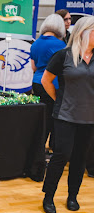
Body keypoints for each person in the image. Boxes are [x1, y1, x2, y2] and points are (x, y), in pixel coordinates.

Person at [41, 16, 94, 213]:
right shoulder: (63, 56)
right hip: (65, 114)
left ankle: (73, 196)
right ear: (84, 32)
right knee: (61, 155)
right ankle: (48, 197)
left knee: (80, 158)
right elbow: (46, 80)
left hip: (89, 117)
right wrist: (58, 100)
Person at [29, 14, 66, 180]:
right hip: (52, 84)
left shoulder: (36, 43)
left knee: (39, 120)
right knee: (52, 120)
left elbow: (34, 66)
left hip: (36, 83)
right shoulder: (60, 44)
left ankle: (36, 156)